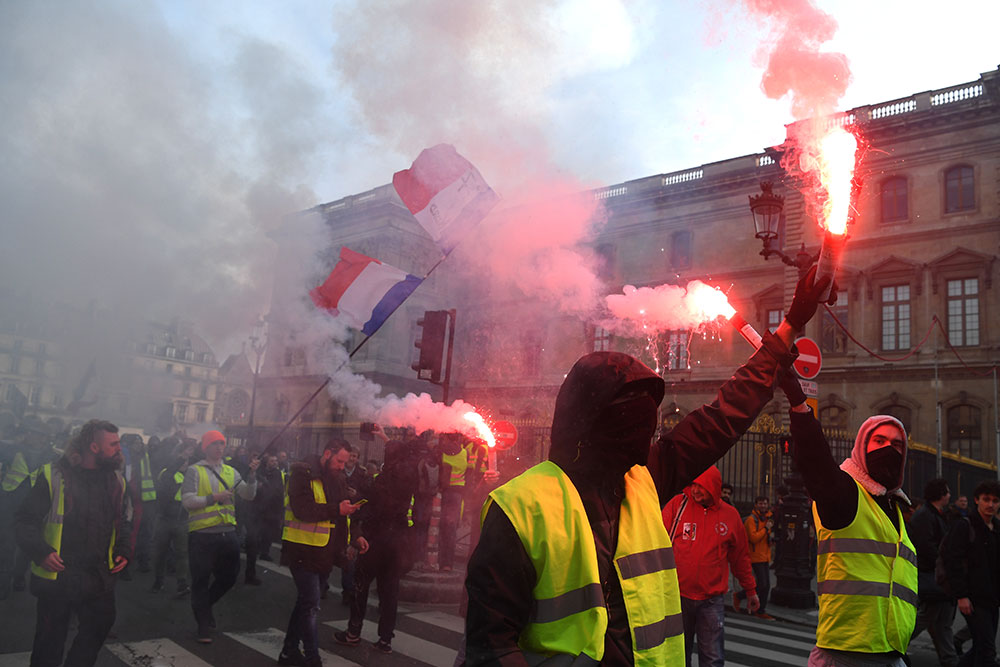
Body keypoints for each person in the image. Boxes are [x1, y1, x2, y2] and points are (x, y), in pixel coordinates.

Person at [464, 266, 831, 665]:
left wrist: (791, 324)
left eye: (647, 420)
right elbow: (493, 645)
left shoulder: (644, 479)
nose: (645, 433)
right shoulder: (521, 507)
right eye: (630, 421)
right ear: (588, 423)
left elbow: (722, 417)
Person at [786, 394, 916, 665]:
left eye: (897, 444)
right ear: (862, 446)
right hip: (845, 654)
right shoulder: (846, 494)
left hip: (890, 651)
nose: (889, 449)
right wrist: (799, 405)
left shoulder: (895, 507)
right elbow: (816, 463)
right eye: (879, 441)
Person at [14, 419, 134, 667]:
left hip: (98, 574)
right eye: (113, 444)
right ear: (93, 447)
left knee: (100, 625)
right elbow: (25, 520)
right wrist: (41, 552)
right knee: (49, 643)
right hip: (59, 575)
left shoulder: (116, 480)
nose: (119, 449)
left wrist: (124, 549)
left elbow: (123, 520)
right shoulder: (53, 475)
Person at [662, 466, 757, 667]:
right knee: (678, 655)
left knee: (713, 658)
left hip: (711, 600)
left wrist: (750, 590)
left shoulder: (730, 516)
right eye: (693, 484)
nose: (696, 490)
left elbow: (740, 558)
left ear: (713, 487)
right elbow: (657, 543)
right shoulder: (677, 506)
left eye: (701, 486)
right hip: (677, 595)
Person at [278, 439, 361, 667]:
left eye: (345, 462)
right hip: (301, 549)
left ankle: (288, 652)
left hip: (325, 551)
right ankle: (312, 658)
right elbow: (303, 510)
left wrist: (354, 538)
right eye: (339, 461)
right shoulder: (301, 473)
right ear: (327, 454)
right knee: (311, 605)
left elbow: (342, 516)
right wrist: (337, 509)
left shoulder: (337, 477)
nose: (342, 466)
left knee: (305, 604)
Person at [335, 436, 419, 655]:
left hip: (375, 542)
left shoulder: (379, 481)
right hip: (398, 544)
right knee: (390, 592)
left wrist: (358, 537)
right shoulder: (410, 478)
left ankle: (353, 633)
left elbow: (366, 508)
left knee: (360, 587)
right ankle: (385, 640)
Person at [181, 430, 258, 643]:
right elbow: (187, 501)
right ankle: (203, 627)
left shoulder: (231, 472)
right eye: (215, 444)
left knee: (229, 577)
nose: (219, 447)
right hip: (202, 535)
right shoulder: (194, 471)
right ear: (206, 447)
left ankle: (204, 607)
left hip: (227, 534)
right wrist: (215, 497)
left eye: (222, 444)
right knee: (201, 580)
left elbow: (248, 494)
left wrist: (252, 476)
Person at [941, 480, 1000, 667]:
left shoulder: (997, 528)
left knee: (981, 648)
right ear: (977, 500)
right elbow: (953, 562)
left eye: (995, 501)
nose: (990, 505)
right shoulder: (965, 526)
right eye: (986, 499)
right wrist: (961, 595)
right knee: (987, 651)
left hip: (992, 598)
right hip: (973, 598)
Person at [907, 477, 957, 667]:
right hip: (932, 577)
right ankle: (893, 646)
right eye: (948, 492)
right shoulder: (926, 516)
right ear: (941, 495)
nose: (950, 495)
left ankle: (949, 658)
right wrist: (944, 562)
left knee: (941, 623)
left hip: (937, 578)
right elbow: (927, 547)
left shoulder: (935, 514)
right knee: (927, 618)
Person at [152, 439, 196, 597]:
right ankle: (158, 580)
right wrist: (180, 459)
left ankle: (182, 583)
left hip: (182, 520)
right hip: (164, 519)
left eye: (187, 459)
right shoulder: (167, 472)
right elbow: (166, 487)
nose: (185, 462)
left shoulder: (190, 475)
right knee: (160, 552)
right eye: (183, 459)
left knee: (182, 553)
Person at [245, 453, 285, 584]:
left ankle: (264, 552)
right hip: (255, 511)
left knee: (267, 535)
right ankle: (250, 573)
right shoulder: (258, 472)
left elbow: (278, 491)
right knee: (252, 541)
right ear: (267, 462)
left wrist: (279, 513)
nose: (275, 462)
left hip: (270, 511)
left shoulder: (277, 474)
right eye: (272, 460)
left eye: (276, 460)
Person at [734, 495, 774, 620]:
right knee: (762, 585)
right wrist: (765, 529)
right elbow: (753, 538)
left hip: (765, 556)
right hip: (755, 556)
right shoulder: (751, 520)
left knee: (764, 585)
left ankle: (748, 601)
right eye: (760, 503)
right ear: (756, 505)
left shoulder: (767, 519)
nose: (763, 506)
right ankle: (758, 609)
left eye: (765, 503)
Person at [438, 434, 468, 573]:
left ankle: (435, 560)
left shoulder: (440, 451)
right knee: (450, 529)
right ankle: (447, 564)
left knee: (438, 527)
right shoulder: (464, 452)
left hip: (442, 493)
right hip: (457, 494)